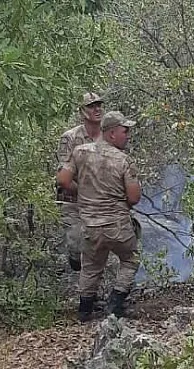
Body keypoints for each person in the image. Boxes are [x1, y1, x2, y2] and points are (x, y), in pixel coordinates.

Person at [56, 111, 142, 322]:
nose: (128, 135)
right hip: (117, 225)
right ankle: (116, 302)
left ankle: (84, 310)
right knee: (131, 260)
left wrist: (84, 192)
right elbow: (134, 197)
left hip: (90, 225)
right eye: (125, 131)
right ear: (111, 134)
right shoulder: (124, 161)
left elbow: (63, 180)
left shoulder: (79, 153)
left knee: (91, 266)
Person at [54, 92, 105, 271]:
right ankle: (75, 260)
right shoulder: (70, 138)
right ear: (82, 111)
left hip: (101, 203)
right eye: (91, 106)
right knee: (77, 245)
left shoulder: (109, 137)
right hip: (74, 201)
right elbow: (63, 178)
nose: (97, 109)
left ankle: (93, 292)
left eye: (99, 104)